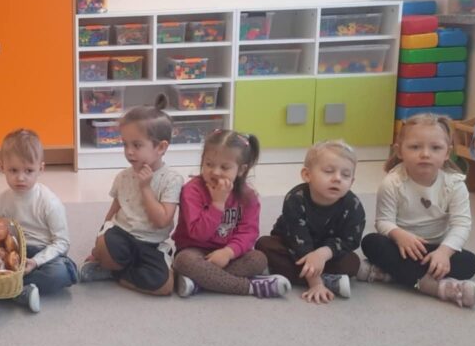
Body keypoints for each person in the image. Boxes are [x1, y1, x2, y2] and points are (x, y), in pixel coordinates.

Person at [360, 113, 475, 307]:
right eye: (415, 147)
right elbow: (383, 221)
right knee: (371, 243)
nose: (425, 154)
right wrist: (399, 235)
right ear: (399, 151)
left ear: (447, 153)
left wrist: (444, 253)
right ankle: (434, 286)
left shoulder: (455, 184)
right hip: (400, 247)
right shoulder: (392, 183)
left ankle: (389, 274)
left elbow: (461, 224)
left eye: (435, 148)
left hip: (435, 249)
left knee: (470, 262)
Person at [79, 95, 183, 295]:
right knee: (104, 245)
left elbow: (162, 221)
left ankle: (116, 273)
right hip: (122, 234)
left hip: (152, 244)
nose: (129, 152)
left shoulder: (172, 180)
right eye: (125, 144)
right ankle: (113, 263)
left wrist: (146, 188)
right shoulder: (123, 176)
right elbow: (113, 211)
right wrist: (100, 242)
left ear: (161, 147)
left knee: (164, 287)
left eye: (137, 145)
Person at [172, 129, 290, 298]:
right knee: (184, 262)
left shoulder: (248, 196)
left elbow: (248, 233)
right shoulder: (191, 190)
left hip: (228, 253)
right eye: (209, 164)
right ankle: (249, 287)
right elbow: (198, 234)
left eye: (224, 167)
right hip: (194, 250)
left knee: (259, 259)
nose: (215, 172)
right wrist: (217, 203)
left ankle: (200, 283)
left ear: (241, 170)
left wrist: (228, 252)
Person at [256, 140, 365, 303]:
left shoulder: (353, 205)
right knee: (264, 245)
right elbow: (299, 242)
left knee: (352, 263)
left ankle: (298, 276)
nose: (337, 178)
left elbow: (351, 240)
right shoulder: (295, 199)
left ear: (352, 182)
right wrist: (316, 284)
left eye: (345, 175)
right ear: (307, 175)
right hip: (293, 248)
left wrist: (323, 253)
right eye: (329, 171)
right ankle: (328, 280)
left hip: (327, 252)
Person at [0, 128, 78, 312]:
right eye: (13, 170)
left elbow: (62, 242)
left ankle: (8, 289)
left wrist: (36, 261)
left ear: (41, 168)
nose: (20, 177)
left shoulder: (49, 202)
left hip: (42, 251)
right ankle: (16, 289)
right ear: (2, 167)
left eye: (29, 171)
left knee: (62, 273)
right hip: (15, 251)